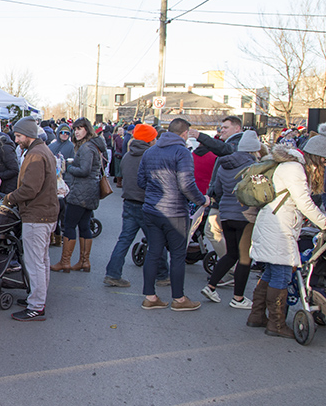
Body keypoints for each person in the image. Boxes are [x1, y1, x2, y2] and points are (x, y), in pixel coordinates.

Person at [248, 135, 326, 338]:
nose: (324, 164)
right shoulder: (295, 169)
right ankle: (276, 324)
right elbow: (304, 202)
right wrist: (324, 222)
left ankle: (257, 316)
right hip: (279, 227)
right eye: (324, 160)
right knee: (282, 274)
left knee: (271, 272)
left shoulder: (291, 165)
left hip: (275, 224)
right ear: (316, 156)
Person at [138, 117, 208, 312]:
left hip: (152, 209)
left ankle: (150, 296)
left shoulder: (150, 151)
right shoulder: (182, 152)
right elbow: (187, 185)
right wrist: (202, 200)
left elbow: (141, 181)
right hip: (175, 212)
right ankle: (179, 298)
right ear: (185, 134)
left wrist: (155, 192)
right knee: (177, 255)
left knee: (153, 252)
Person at [2, 116, 59, 321]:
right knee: (41, 261)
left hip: (37, 216)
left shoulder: (35, 155)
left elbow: (30, 189)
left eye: (18, 136)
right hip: (44, 214)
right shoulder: (42, 151)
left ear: (27, 135)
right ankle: (37, 299)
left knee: (35, 262)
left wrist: (9, 198)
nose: (16, 140)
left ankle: (36, 306)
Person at [200, 130, 262, 310]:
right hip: (245, 215)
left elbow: (217, 190)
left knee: (231, 254)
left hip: (226, 213)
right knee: (244, 258)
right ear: (254, 150)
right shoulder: (253, 167)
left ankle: (211, 286)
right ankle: (238, 298)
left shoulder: (224, 164)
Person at [103, 124, 170, 287]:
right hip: (147, 205)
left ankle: (113, 273)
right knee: (157, 240)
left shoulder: (128, 156)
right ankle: (162, 275)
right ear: (150, 139)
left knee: (124, 239)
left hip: (129, 202)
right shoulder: (152, 157)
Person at [51, 117, 106, 273]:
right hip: (90, 192)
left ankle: (65, 262)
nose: (76, 132)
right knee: (84, 226)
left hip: (82, 192)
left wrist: (69, 166)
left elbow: (84, 170)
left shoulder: (87, 148)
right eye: (75, 129)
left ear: (87, 129)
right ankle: (84, 261)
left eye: (79, 129)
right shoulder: (93, 146)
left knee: (69, 225)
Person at [189, 116, 244, 268]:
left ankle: (230, 267)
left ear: (237, 128)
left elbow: (224, 150)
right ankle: (230, 266)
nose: (222, 130)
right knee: (216, 232)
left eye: (226, 127)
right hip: (221, 196)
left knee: (213, 231)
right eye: (222, 127)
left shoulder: (236, 144)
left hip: (226, 198)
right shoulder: (233, 144)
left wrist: (201, 136)